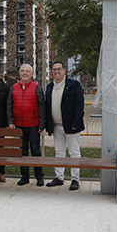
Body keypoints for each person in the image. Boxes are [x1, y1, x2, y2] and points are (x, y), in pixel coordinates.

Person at [45, 61, 85, 191]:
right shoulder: (50, 87)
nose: (56, 72)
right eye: (54, 70)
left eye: (59, 69)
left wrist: (76, 123)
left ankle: (75, 179)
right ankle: (59, 177)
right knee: (59, 152)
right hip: (56, 125)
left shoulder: (74, 85)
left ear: (64, 71)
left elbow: (79, 106)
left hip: (71, 126)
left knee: (74, 153)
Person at [7, 64, 46, 186]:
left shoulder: (37, 87)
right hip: (19, 126)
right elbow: (9, 106)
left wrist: (41, 124)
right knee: (22, 153)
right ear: (19, 73)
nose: (24, 73)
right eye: (22, 71)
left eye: (27, 71)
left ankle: (39, 177)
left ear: (31, 74)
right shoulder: (13, 87)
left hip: (34, 126)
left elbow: (42, 107)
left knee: (35, 151)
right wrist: (10, 122)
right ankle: (25, 177)